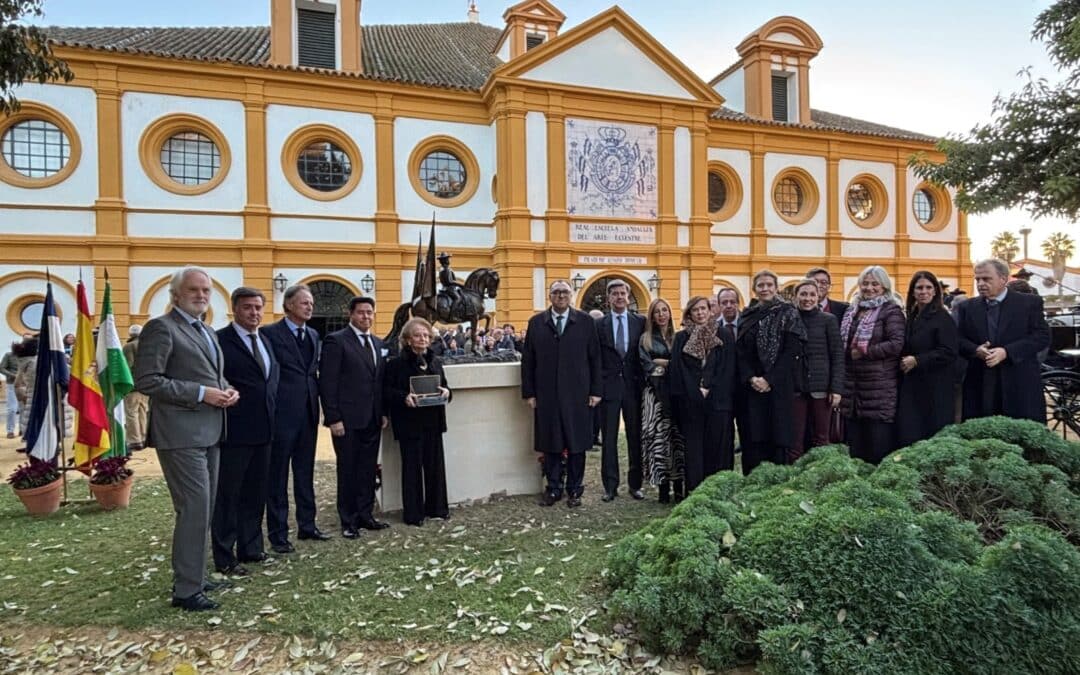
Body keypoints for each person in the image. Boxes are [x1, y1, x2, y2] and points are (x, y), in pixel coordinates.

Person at [134, 266, 238, 612]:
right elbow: (147, 380)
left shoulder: (205, 330)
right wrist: (200, 394)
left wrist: (224, 391)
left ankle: (194, 574)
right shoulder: (161, 328)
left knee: (203, 509)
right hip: (180, 435)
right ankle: (186, 590)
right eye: (193, 290)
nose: (201, 295)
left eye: (206, 290)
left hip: (211, 429)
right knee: (193, 508)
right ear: (175, 294)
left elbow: (211, 376)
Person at [211, 287, 280, 576]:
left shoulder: (264, 339)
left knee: (256, 492)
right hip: (235, 430)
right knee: (229, 495)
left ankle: (251, 548)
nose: (254, 313)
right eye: (248, 308)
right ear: (235, 310)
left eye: (258, 307)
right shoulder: (219, 341)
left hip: (264, 429)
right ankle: (225, 555)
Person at [521, 280, 601, 509]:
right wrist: (529, 393)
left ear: (571, 295)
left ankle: (575, 489)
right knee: (551, 443)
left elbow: (595, 358)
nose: (560, 296)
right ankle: (554, 487)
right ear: (549, 296)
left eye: (565, 292)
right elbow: (528, 361)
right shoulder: (536, 323)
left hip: (579, 393)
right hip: (547, 395)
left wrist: (596, 391)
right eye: (556, 292)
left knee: (577, 444)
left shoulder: (585, 322)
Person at [262, 284, 330, 553]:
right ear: (288, 305)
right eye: (304, 303)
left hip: (308, 414)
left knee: (305, 472)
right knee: (277, 476)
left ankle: (307, 525)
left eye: (311, 302)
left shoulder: (313, 334)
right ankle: (278, 534)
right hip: (281, 415)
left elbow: (311, 372)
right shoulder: (270, 333)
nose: (310, 306)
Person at [319, 296, 389, 538]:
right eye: (361, 312)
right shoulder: (336, 341)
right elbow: (328, 383)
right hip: (346, 421)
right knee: (348, 469)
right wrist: (333, 417)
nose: (366, 317)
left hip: (372, 418)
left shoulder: (378, 344)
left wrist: (382, 413)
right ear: (351, 314)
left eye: (370, 312)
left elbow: (379, 383)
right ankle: (348, 520)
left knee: (368, 469)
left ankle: (365, 515)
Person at [955, 258, 1050, 423]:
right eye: (977, 279)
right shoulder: (967, 307)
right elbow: (957, 339)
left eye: (986, 279)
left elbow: (1041, 337)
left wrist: (1007, 352)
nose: (981, 284)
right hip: (980, 385)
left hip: (1019, 383)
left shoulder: (1028, 303)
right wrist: (975, 349)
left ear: (1003, 279)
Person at [735, 270, 806, 474]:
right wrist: (751, 378)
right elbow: (740, 351)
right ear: (754, 289)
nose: (765, 289)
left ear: (776, 288)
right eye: (760, 285)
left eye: (769, 285)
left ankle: (776, 486)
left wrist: (769, 379)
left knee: (777, 437)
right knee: (753, 438)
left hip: (778, 386)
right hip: (751, 387)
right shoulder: (747, 314)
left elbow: (791, 351)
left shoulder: (788, 313)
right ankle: (752, 484)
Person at [384, 317, 451, 526]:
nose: (422, 339)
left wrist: (447, 392)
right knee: (412, 469)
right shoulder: (395, 364)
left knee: (435, 467)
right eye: (417, 335)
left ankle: (437, 508)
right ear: (408, 339)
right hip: (409, 424)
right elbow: (386, 391)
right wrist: (403, 397)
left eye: (426, 335)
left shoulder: (436, 361)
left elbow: (448, 389)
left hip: (433, 422)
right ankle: (414, 514)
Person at [668, 295, 736, 492]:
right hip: (691, 401)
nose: (700, 313)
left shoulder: (723, 335)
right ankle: (695, 489)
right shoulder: (682, 337)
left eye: (703, 309)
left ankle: (718, 489)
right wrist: (696, 391)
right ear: (689, 313)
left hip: (719, 400)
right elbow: (678, 369)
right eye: (695, 310)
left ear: (710, 310)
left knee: (719, 446)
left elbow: (727, 368)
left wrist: (709, 387)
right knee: (694, 449)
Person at [839, 265, 905, 464]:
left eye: (875, 283)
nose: (869, 288)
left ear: (884, 286)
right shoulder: (853, 310)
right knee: (856, 444)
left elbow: (896, 344)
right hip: (854, 386)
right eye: (865, 283)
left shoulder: (891, 310)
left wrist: (866, 352)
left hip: (879, 386)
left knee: (877, 443)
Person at [596, 279, 646, 501]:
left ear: (628, 296)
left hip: (634, 388)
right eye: (614, 293)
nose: (619, 297)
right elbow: (595, 359)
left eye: (622, 293)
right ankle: (610, 486)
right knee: (609, 438)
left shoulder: (640, 322)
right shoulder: (599, 325)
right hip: (609, 388)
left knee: (635, 437)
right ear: (608, 299)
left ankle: (635, 484)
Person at [896, 271, 959, 447]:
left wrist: (918, 360)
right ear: (913, 292)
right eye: (919, 287)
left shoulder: (942, 317)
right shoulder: (912, 315)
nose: (924, 291)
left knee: (931, 433)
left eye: (928, 287)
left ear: (935, 291)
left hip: (935, 386)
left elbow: (949, 351)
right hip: (913, 383)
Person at [790, 279, 844, 462]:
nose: (808, 298)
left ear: (818, 296)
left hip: (821, 387)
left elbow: (837, 355)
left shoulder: (828, 320)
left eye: (812, 294)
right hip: (796, 387)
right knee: (795, 440)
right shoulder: (789, 319)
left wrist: (836, 388)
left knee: (822, 439)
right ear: (795, 296)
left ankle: (821, 477)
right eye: (803, 294)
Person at [639, 298, 684, 503]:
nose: (661, 314)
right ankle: (663, 488)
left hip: (678, 395)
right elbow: (647, 367)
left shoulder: (680, 337)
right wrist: (667, 366)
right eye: (657, 312)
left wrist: (664, 363)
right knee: (659, 441)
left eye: (664, 310)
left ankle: (680, 486)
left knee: (678, 441)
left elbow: (683, 365)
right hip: (655, 397)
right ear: (652, 316)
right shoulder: (646, 339)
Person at [122, 325, 149, 451]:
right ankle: (143, 437)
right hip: (146, 385)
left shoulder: (129, 346)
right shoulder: (148, 345)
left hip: (133, 386)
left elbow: (127, 367)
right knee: (143, 412)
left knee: (132, 413)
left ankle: (134, 440)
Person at [588, 308, 605, 448]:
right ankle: (589, 438)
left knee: (599, 413)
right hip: (587, 380)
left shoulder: (603, 334)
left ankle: (596, 436)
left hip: (602, 378)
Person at [2, 341, 25, 439]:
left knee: (23, 408)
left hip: (23, 385)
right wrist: (13, 375)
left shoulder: (25, 357)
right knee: (12, 409)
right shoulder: (8, 355)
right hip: (11, 384)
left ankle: (22, 429)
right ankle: (10, 430)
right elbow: (1, 368)